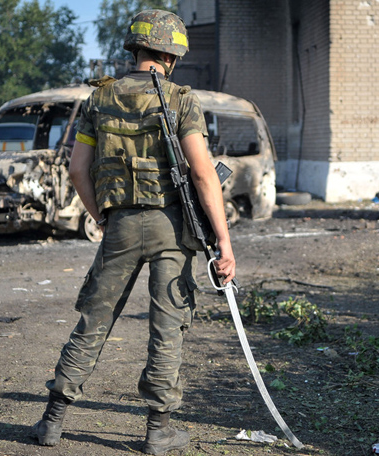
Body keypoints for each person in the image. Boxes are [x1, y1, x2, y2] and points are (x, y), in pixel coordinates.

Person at [32, 9, 236, 455]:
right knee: (167, 327)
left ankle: (52, 420)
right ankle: (158, 431)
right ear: (170, 54)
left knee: (94, 321)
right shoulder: (181, 99)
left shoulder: (98, 99)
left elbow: (77, 170)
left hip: (120, 226)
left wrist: (102, 218)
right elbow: (203, 175)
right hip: (171, 228)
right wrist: (223, 241)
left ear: (137, 48)